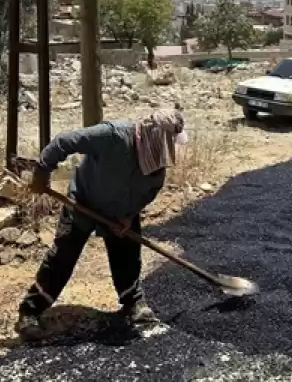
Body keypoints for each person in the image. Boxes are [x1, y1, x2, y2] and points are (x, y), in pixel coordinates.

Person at [14, 109, 190, 340]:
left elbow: (152, 189)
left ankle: (133, 303)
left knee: (127, 257)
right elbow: (64, 142)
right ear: (155, 136)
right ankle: (30, 312)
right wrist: (42, 173)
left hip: (121, 213)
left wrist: (130, 215)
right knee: (62, 258)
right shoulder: (112, 136)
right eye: (168, 140)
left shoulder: (156, 160)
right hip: (83, 203)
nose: (171, 148)